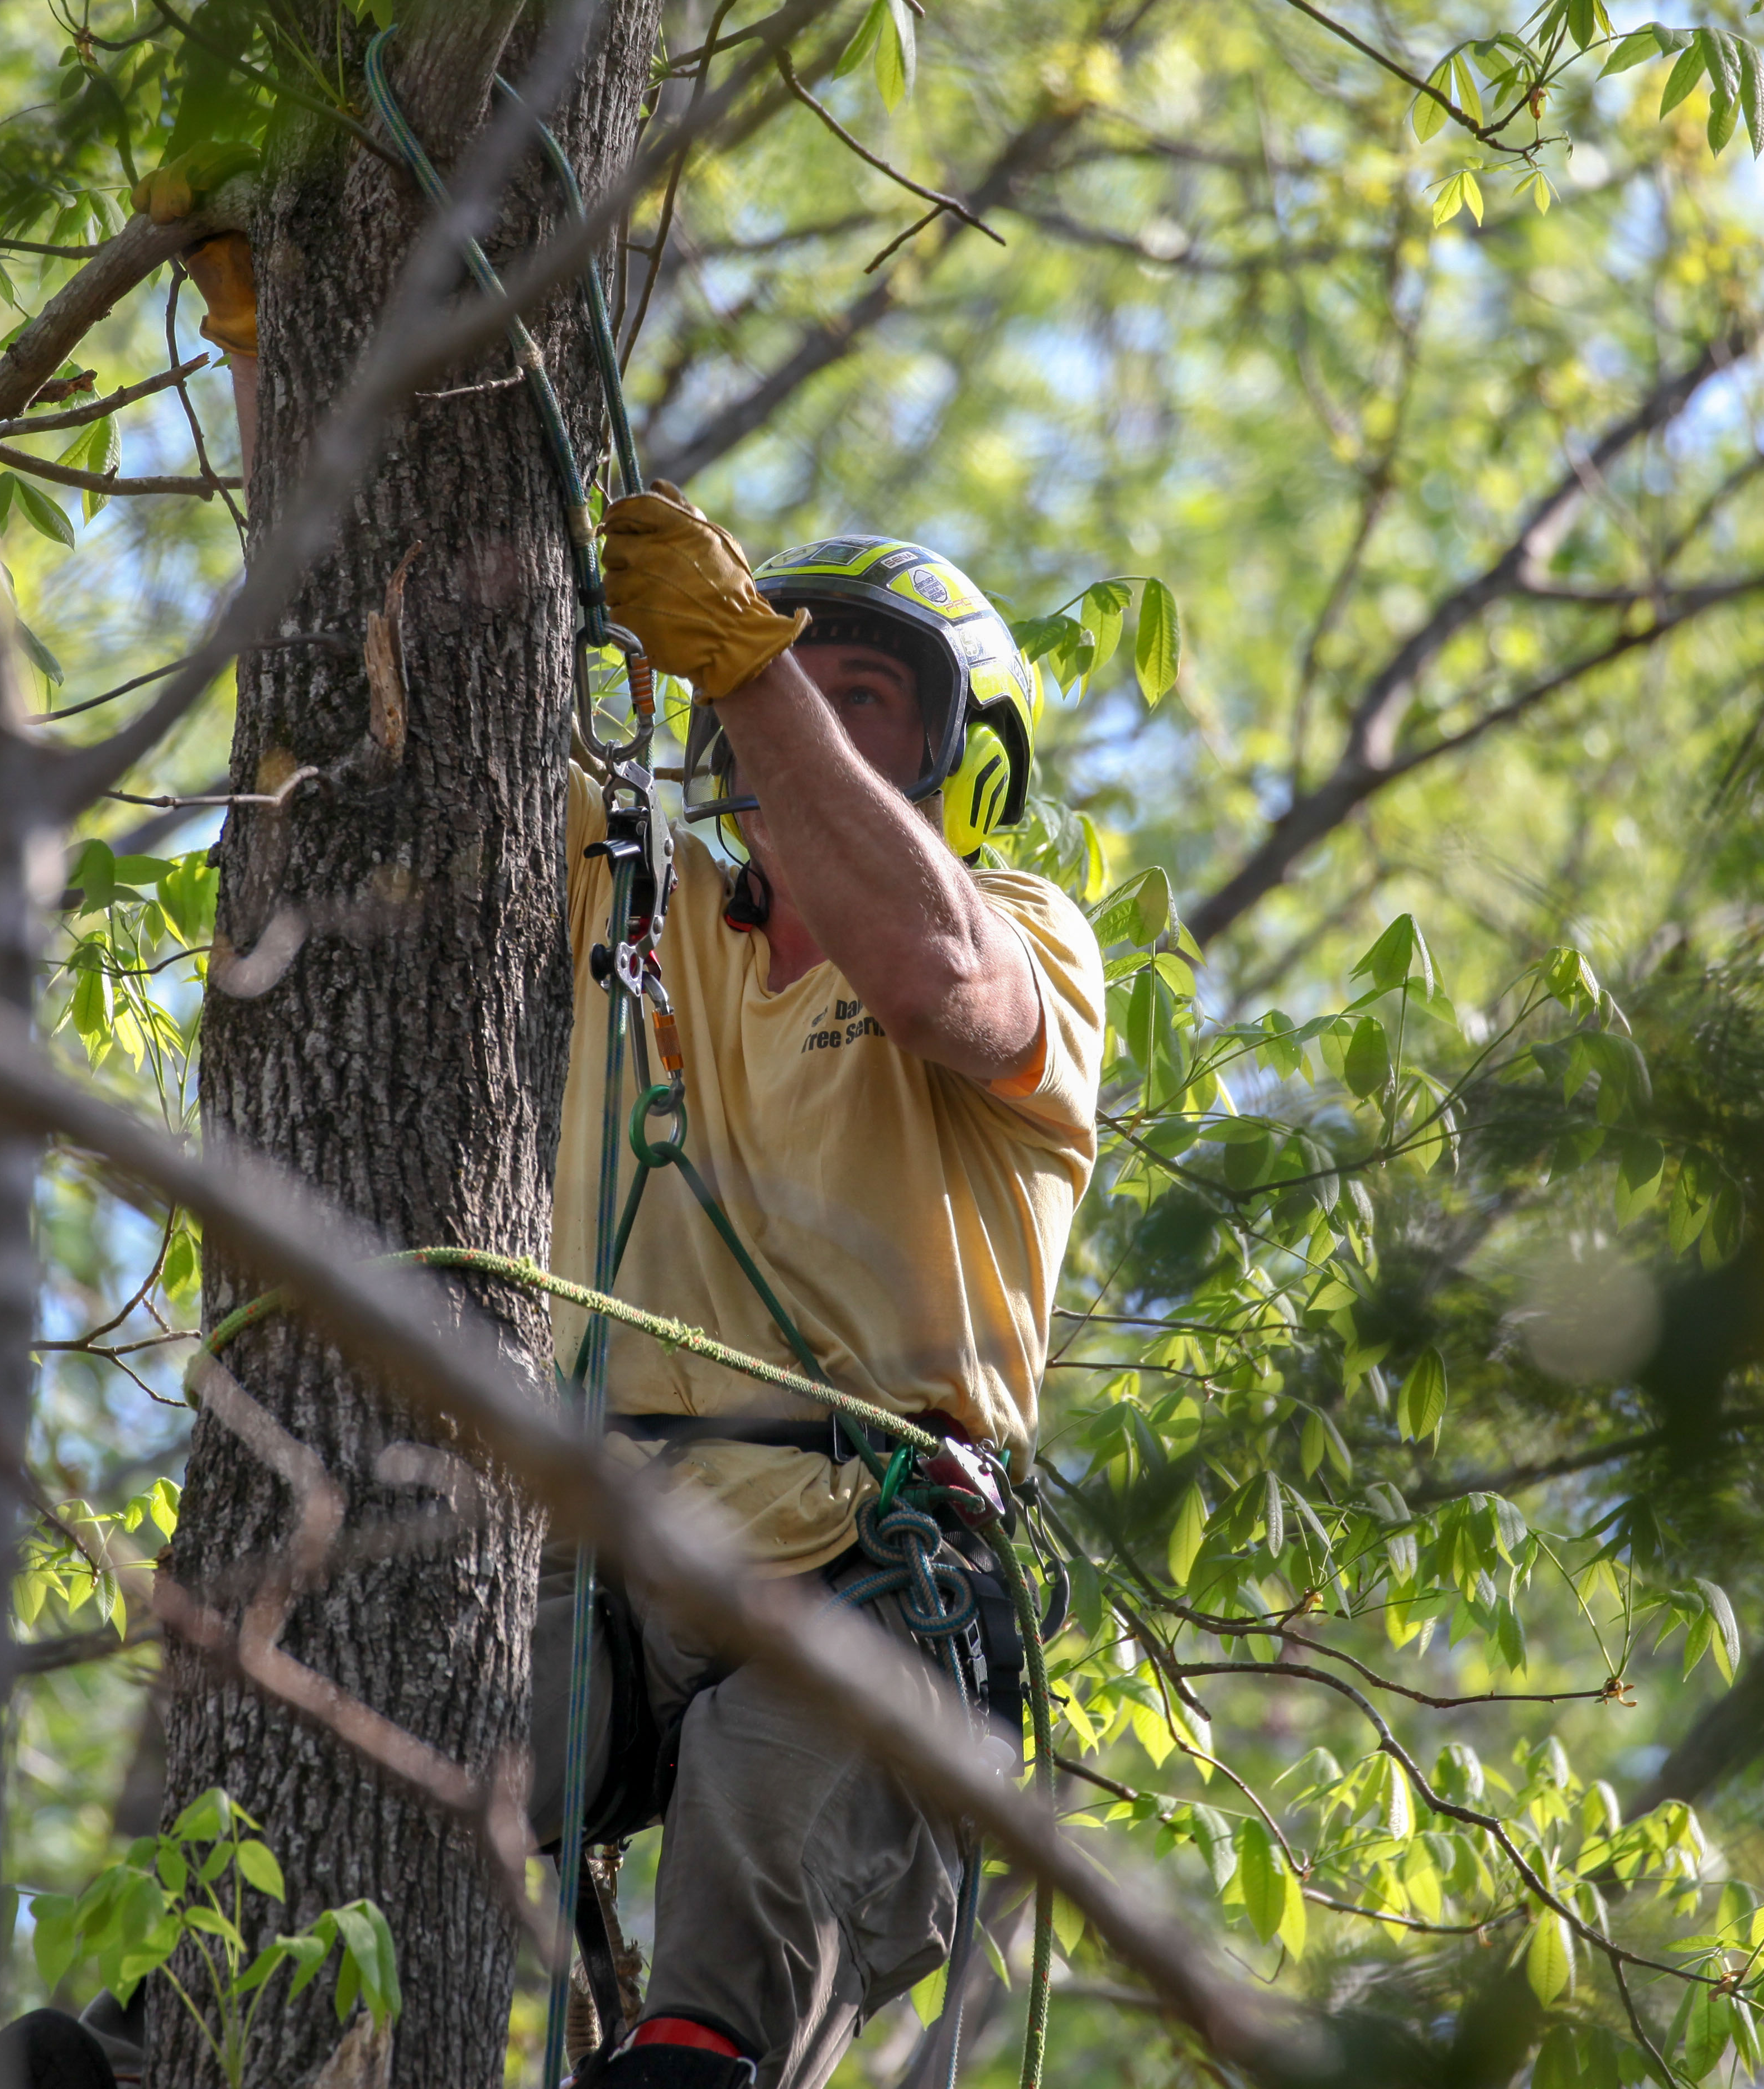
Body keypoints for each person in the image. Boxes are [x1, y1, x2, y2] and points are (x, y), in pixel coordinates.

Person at [542, 495, 1105, 2089]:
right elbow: (382, 683)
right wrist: (264, 352)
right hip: (614, 1553)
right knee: (387, 1708)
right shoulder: (642, 933)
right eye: (799, 689)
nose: (803, 723)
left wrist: (745, 664)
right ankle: (188, 2033)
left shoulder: (1026, 943)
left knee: (758, 1841)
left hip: (868, 1568)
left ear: (960, 764)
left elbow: (945, 984)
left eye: (864, 701)